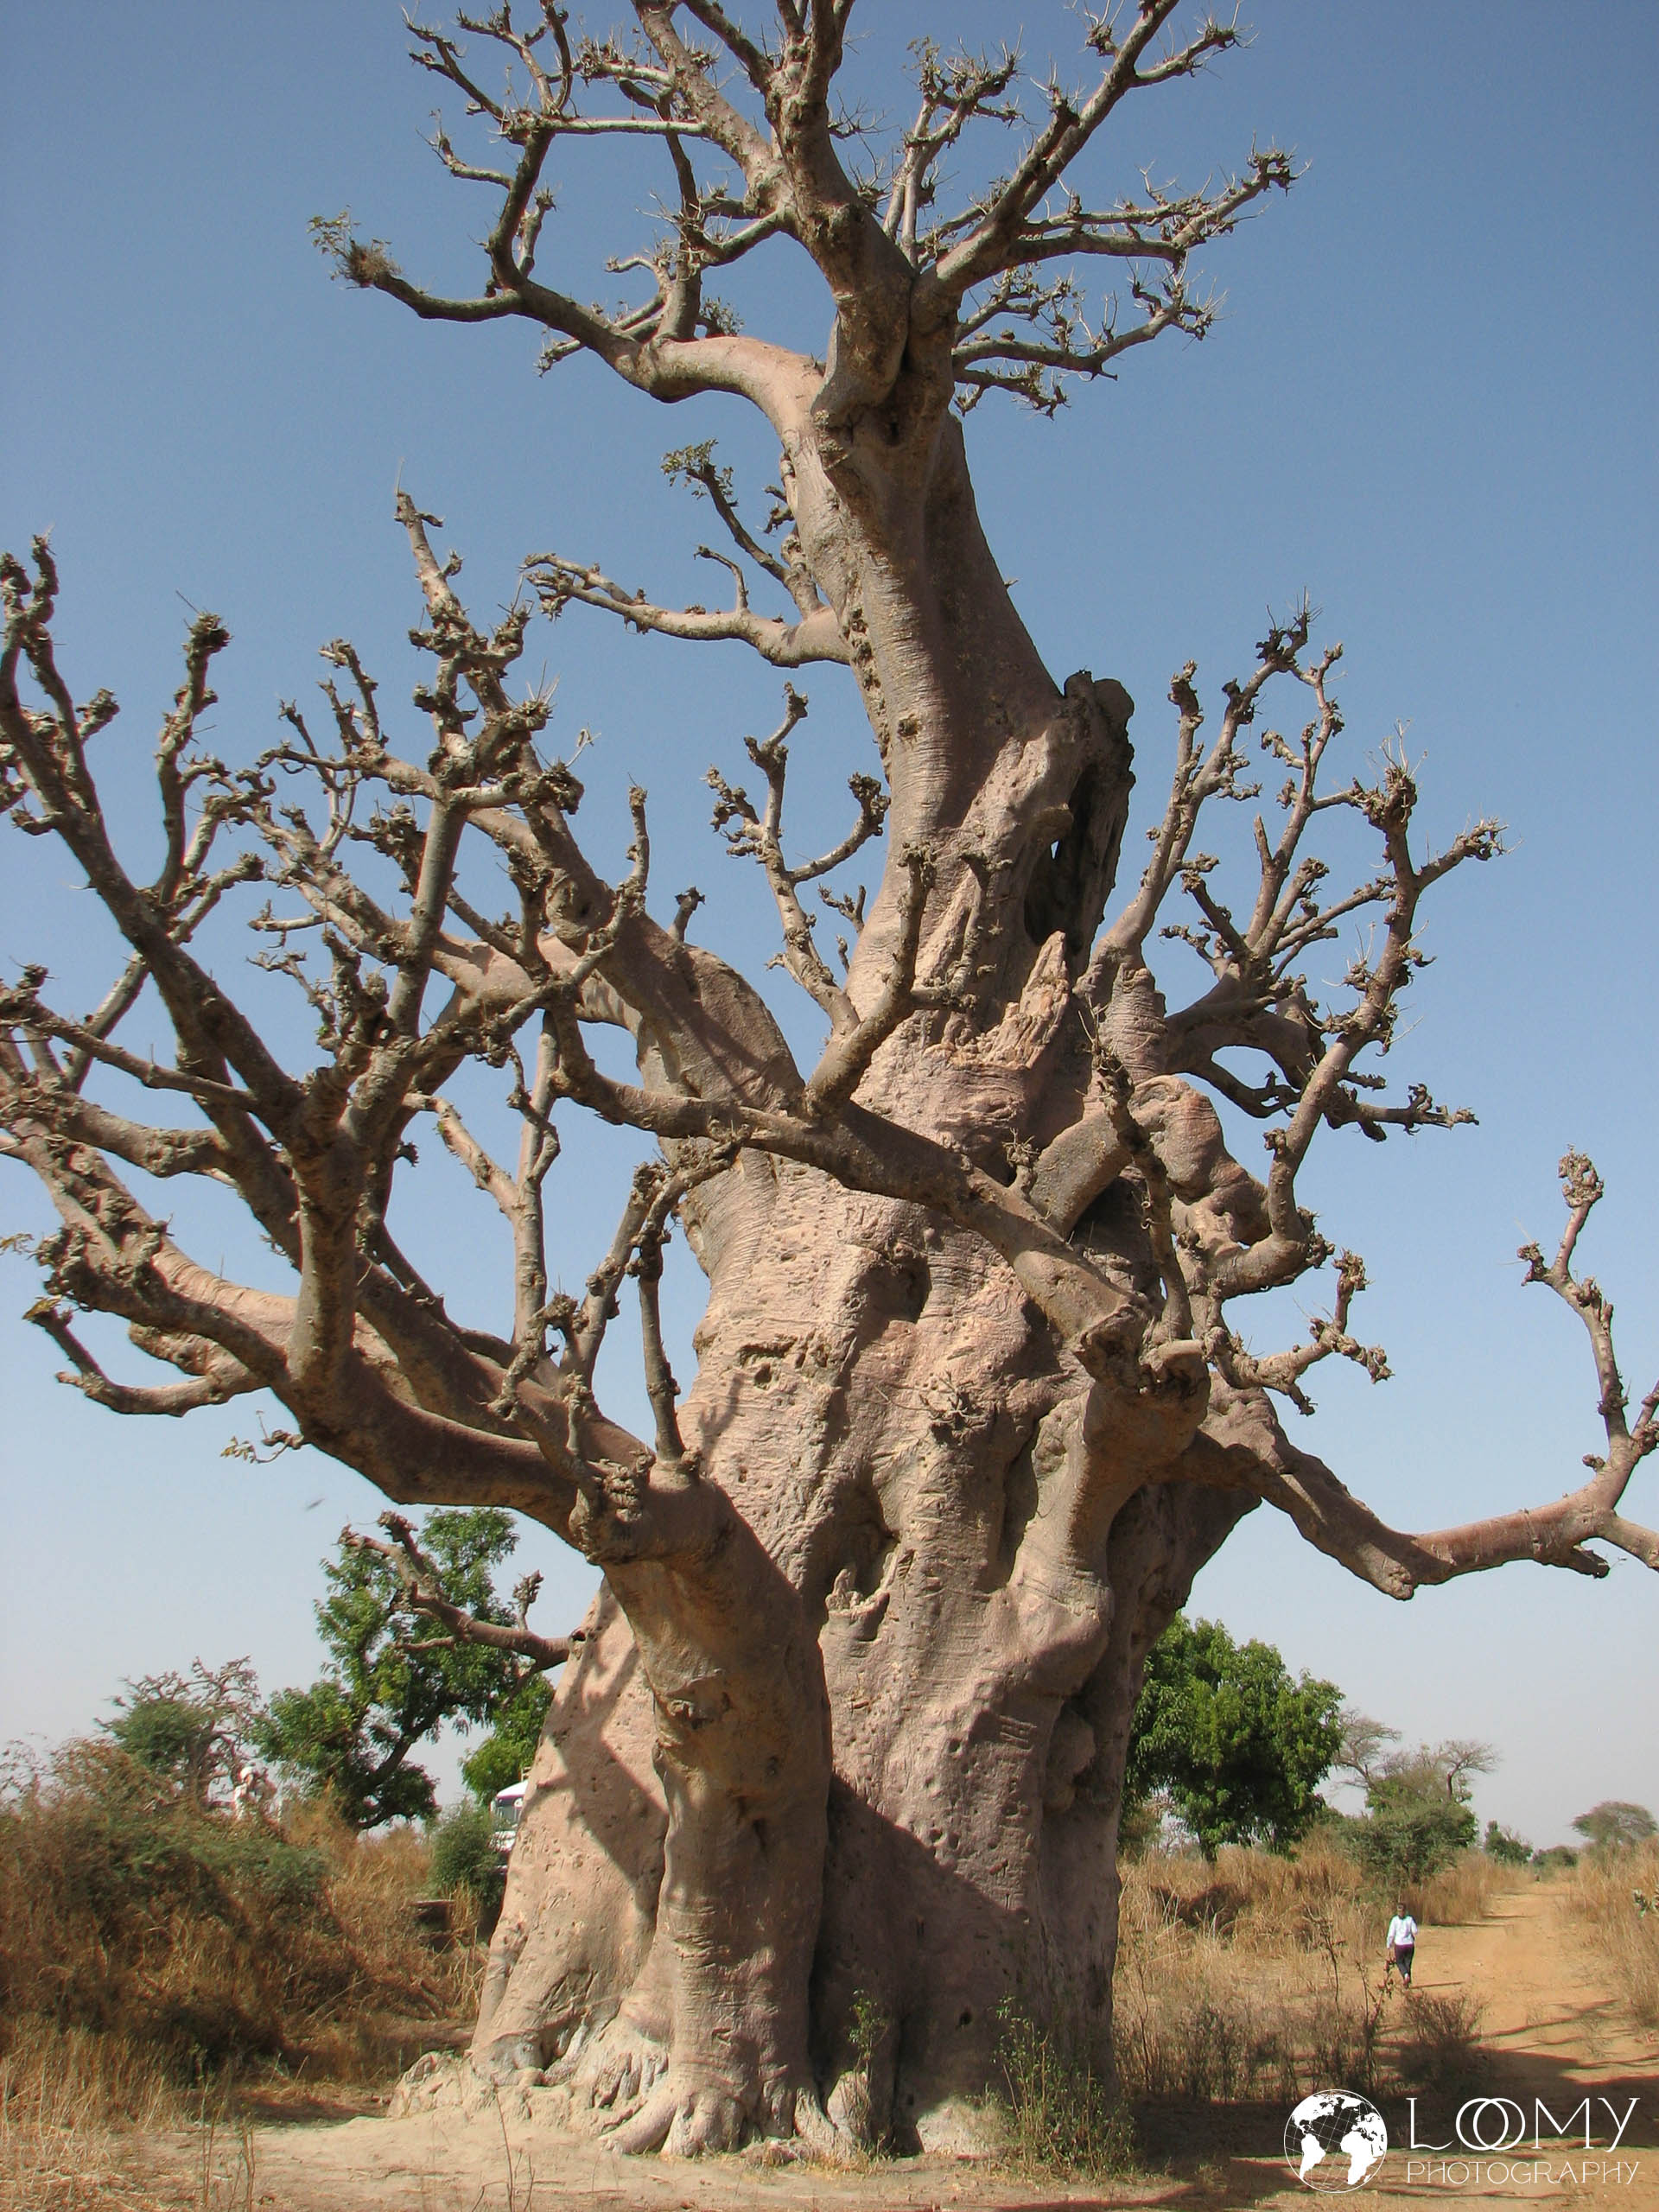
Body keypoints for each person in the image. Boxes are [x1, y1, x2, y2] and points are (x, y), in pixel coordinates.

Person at [1386, 1907, 1418, 1988]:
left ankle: (1406, 1976)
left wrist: (1388, 1945)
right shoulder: (1409, 1919)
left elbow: (1391, 1934)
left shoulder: (1395, 1920)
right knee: (1408, 1963)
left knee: (1400, 1962)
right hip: (1409, 1944)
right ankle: (1407, 1982)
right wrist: (1411, 1934)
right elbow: (1415, 1931)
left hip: (1399, 1945)